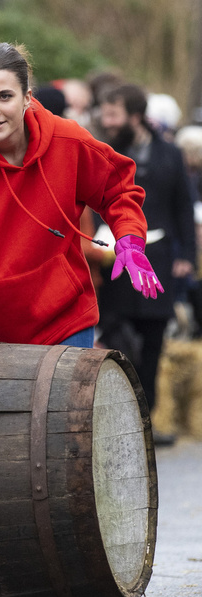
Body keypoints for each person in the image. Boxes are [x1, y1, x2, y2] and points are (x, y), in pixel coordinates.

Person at [0, 42, 163, 350]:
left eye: (4, 96)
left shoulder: (67, 139)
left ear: (26, 98)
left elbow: (118, 189)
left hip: (64, 320)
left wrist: (129, 236)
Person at [96, 82, 195, 433]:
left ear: (134, 117)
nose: (106, 121)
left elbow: (183, 206)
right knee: (115, 333)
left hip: (160, 259)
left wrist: (187, 255)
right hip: (115, 258)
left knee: (154, 340)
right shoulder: (103, 149)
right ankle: (116, 414)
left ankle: (147, 417)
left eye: (113, 114)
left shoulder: (169, 153)